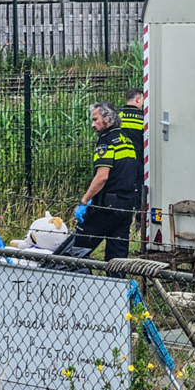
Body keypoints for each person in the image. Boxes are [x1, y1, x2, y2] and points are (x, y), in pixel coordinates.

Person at [72, 102, 137, 265]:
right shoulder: (127, 140)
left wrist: (84, 201)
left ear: (107, 119)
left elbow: (102, 177)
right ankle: (117, 288)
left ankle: (78, 284)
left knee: (77, 250)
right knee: (117, 258)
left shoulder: (105, 143)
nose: (93, 125)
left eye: (95, 120)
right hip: (126, 206)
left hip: (106, 208)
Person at [118, 88, 145, 194]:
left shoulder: (118, 117)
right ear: (138, 99)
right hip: (138, 158)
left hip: (121, 159)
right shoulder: (143, 118)